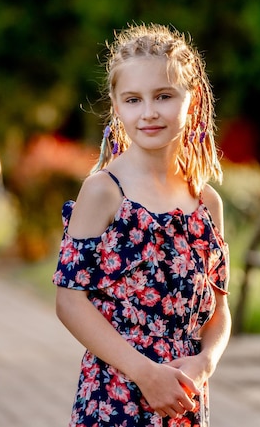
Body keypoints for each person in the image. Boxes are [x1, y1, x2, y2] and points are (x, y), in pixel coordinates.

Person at [52, 22, 231, 427]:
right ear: (116, 105)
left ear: (193, 99)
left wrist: (206, 362)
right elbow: (70, 302)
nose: (148, 112)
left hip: (184, 398)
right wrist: (145, 373)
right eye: (133, 99)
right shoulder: (103, 192)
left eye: (164, 96)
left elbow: (220, 311)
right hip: (117, 396)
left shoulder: (206, 203)